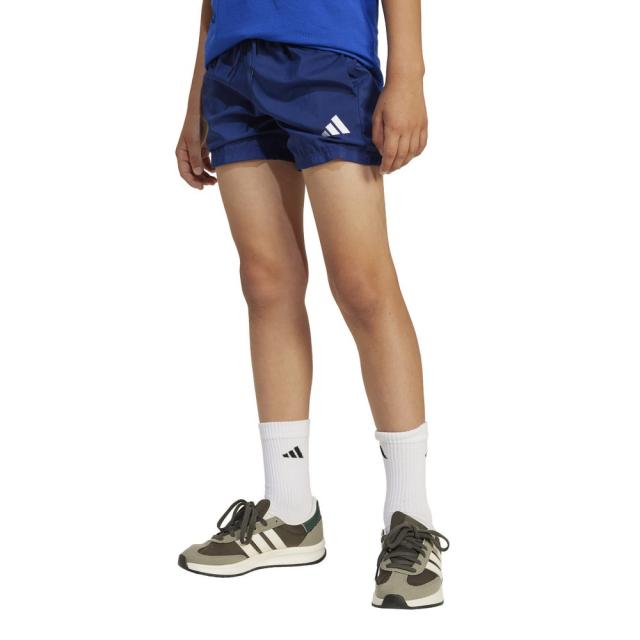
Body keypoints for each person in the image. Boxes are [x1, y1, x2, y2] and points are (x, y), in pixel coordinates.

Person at [175, 0, 449, 609]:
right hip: (231, 65)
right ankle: (290, 511)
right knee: (266, 281)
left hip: (326, 57)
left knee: (362, 285)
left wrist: (407, 73)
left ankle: (410, 517)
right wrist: (196, 98)